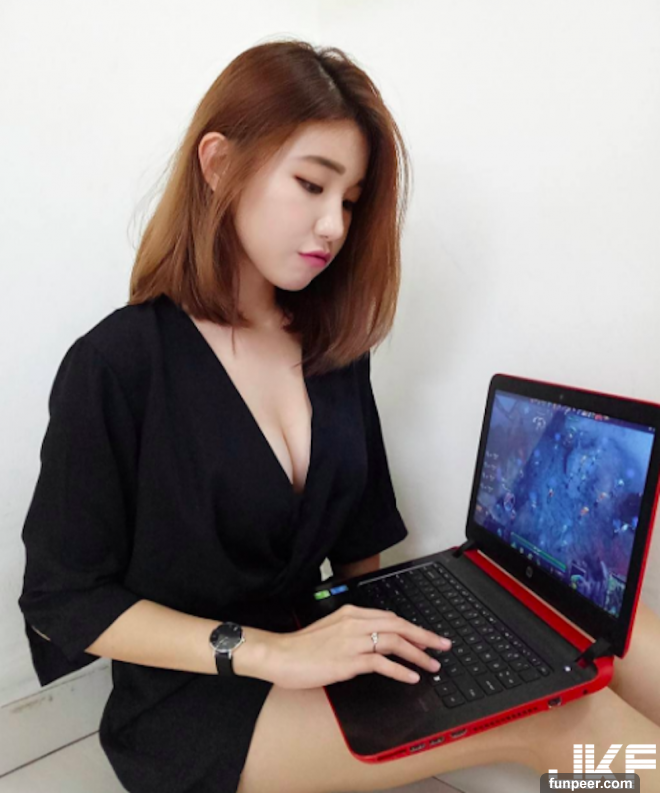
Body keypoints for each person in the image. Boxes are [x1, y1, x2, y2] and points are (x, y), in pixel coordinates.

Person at [17, 38, 660, 793]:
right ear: (218, 163)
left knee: (600, 633)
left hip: (321, 640)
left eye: (349, 201)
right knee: (560, 717)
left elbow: (360, 539)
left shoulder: (331, 348)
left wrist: (429, 635)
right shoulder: (117, 364)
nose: (333, 225)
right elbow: (62, 600)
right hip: (200, 698)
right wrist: (269, 651)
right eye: (311, 185)